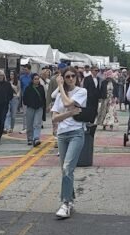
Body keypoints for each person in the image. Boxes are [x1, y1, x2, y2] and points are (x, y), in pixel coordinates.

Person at [51, 66, 87, 219]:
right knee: (65, 170)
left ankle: (65, 203)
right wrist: (71, 113)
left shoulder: (81, 91)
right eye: (67, 77)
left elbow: (66, 103)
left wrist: (60, 86)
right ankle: (70, 200)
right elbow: (54, 118)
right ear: (63, 78)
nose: (71, 78)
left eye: (73, 76)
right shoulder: (60, 95)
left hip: (76, 133)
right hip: (62, 134)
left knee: (67, 167)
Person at [23, 73, 46, 146]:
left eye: (38, 79)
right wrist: (28, 104)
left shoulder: (41, 88)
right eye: (35, 79)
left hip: (39, 107)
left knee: (37, 123)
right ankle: (30, 138)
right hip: (30, 107)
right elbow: (25, 98)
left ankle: (36, 138)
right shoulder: (28, 88)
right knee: (29, 124)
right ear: (32, 80)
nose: (37, 80)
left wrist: (44, 106)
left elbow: (43, 98)